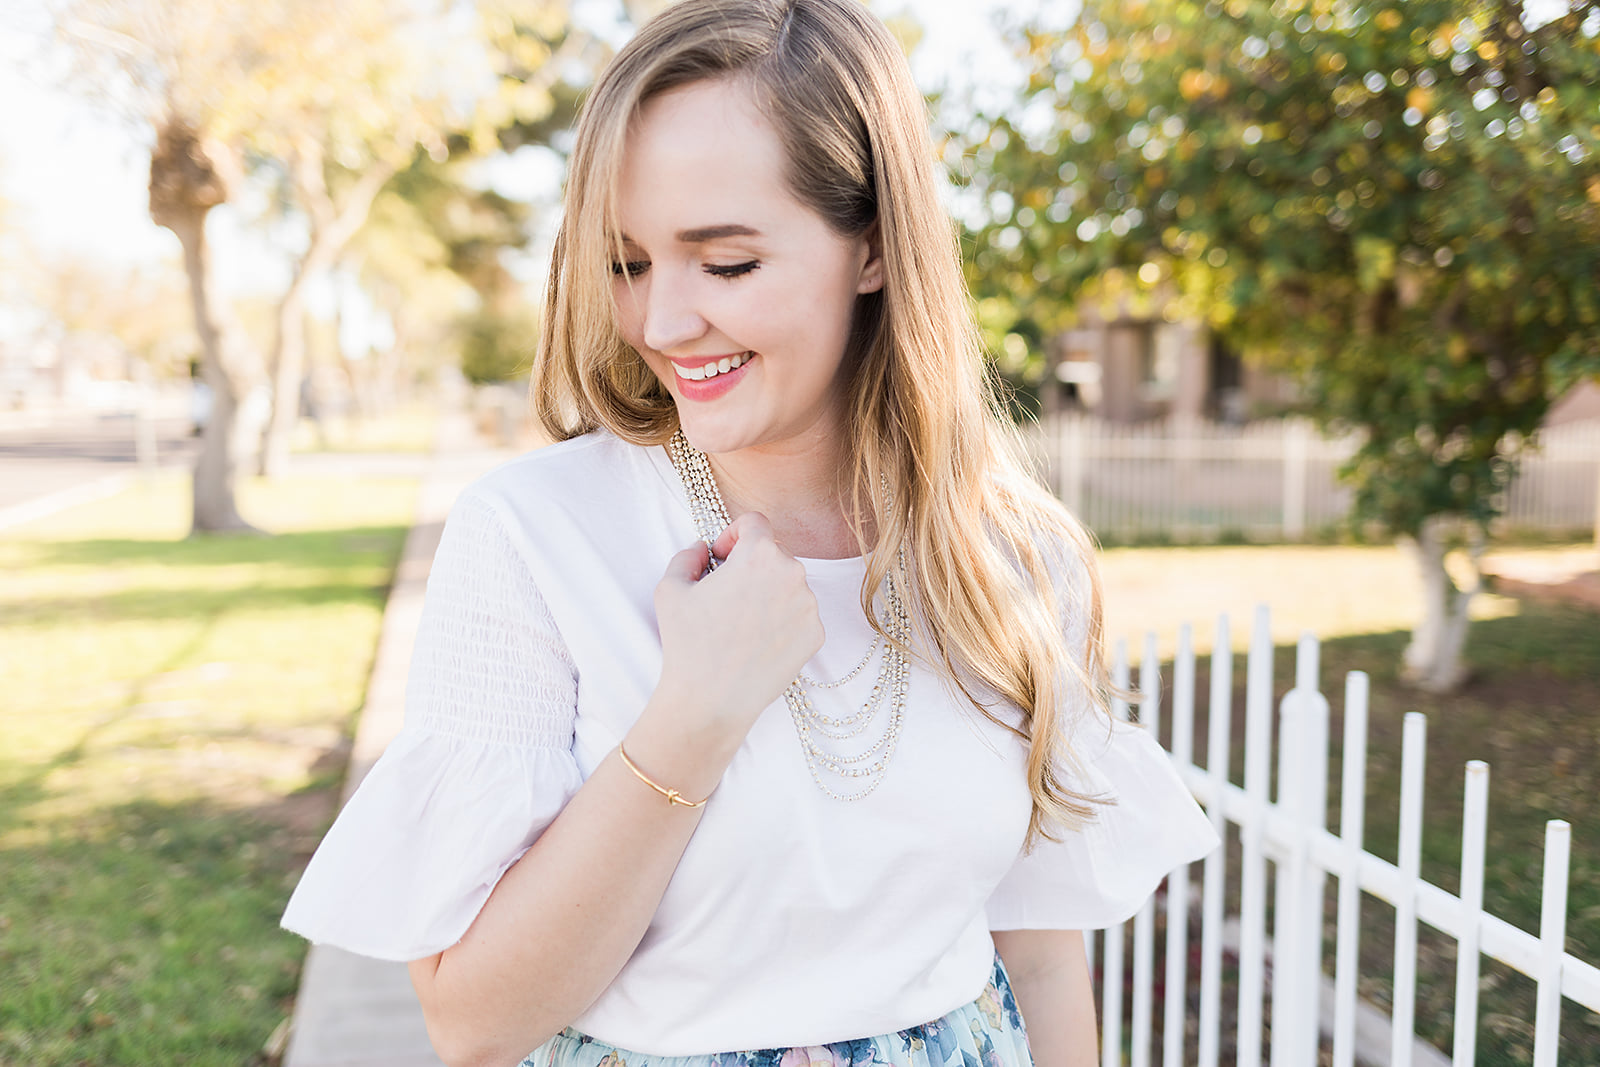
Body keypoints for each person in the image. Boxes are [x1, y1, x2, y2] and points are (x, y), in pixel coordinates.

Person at [281, 3, 1218, 1066]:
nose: (664, 322)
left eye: (724, 264)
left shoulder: (1010, 555)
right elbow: (473, 1022)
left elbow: (1040, 959)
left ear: (871, 249)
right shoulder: (536, 537)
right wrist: (694, 715)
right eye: (628, 263)